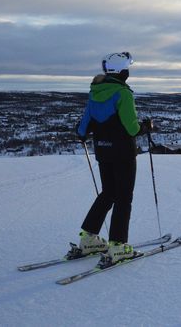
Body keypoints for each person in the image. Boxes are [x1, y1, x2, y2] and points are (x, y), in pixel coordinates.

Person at [75, 52, 153, 264]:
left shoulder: (95, 92)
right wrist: (146, 127)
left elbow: (82, 128)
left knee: (108, 193)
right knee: (123, 197)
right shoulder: (123, 94)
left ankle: (88, 239)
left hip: (102, 151)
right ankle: (118, 246)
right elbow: (131, 127)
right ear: (122, 72)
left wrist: (85, 132)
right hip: (123, 153)